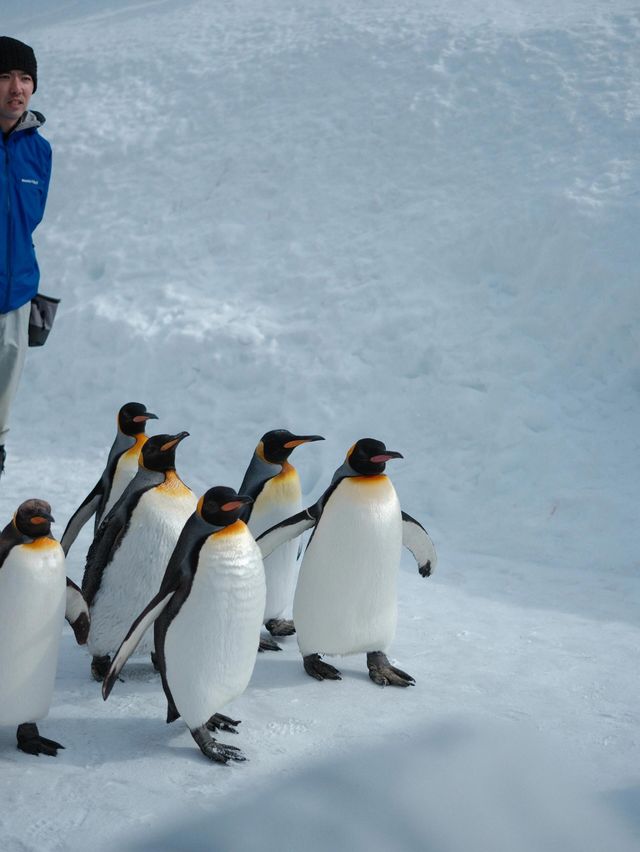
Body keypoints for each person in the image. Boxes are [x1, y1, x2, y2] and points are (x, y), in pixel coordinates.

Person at [0, 37, 52, 478]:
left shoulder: (39, 150)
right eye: (3, 77)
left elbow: (25, 226)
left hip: (15, 299)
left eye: (25, 78)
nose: (16, 88)